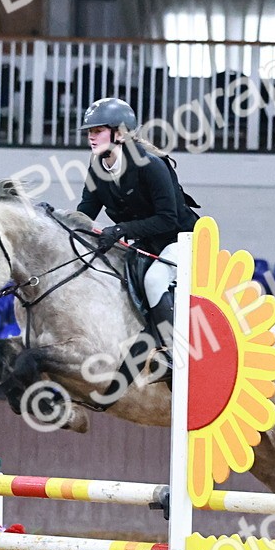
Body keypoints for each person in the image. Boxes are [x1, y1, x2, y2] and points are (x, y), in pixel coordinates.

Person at [75, 97, 199, 381]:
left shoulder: (150, 165)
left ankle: (172, 353)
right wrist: (64, 227)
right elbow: (85, 213)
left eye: (98, 130)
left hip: (181, 240)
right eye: (90, 132)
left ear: (120, 133)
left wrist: (120, 230)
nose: (91, 137)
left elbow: (167, 219)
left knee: (154, 280)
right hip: (147, 244)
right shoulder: (98, 168)